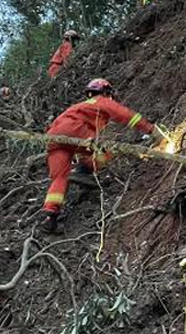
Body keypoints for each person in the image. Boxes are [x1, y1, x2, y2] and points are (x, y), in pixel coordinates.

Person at [41, 79, 162, 234]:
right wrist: (151, 129)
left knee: (59, 178)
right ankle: (83, 172)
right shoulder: (101, 101)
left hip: (52, 137)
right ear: (105, 92)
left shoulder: (79, 107)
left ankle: (49, 217)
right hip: (74, 129)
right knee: (106, 151)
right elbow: (125, 115)